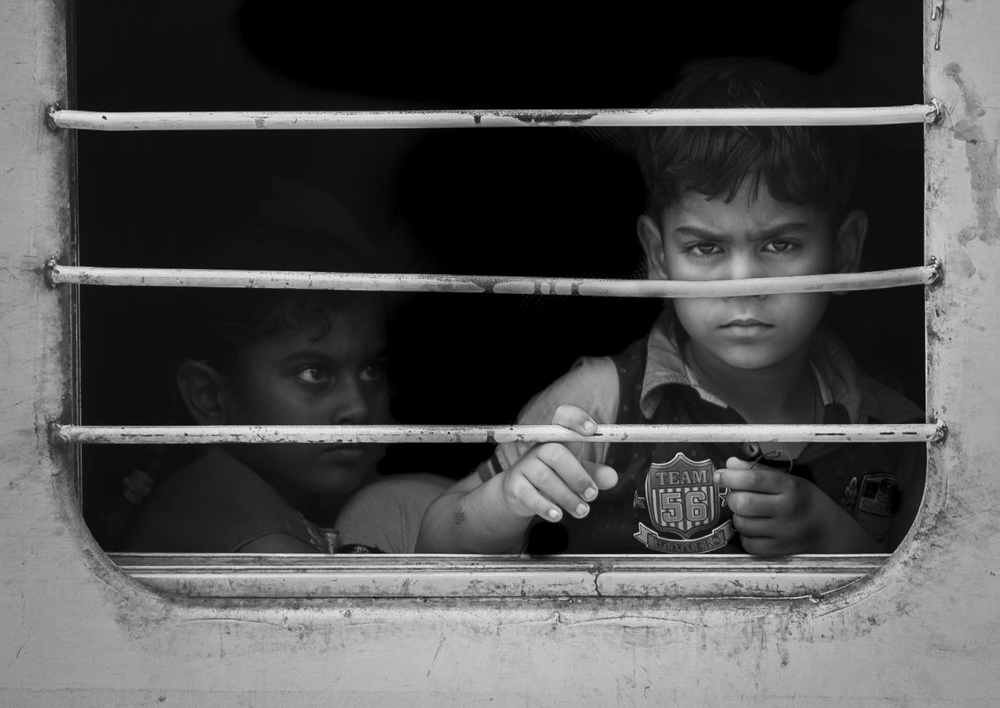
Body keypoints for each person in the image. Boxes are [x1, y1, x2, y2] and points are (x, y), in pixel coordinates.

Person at [417, 59, 925, 557]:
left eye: (781, 245)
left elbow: (948, 614)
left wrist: (836, 541)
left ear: (846, 251)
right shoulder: (597, 407)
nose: (742, 286)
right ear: (659, 258)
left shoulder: (895, 431)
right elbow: (435, 544)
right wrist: (507, 501)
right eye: (706, 249)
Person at [100, 180, 450, 554]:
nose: (359, 408)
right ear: (210, 396)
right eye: (314, 374)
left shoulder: (210, 487)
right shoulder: (268, 548)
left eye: (370, 370)